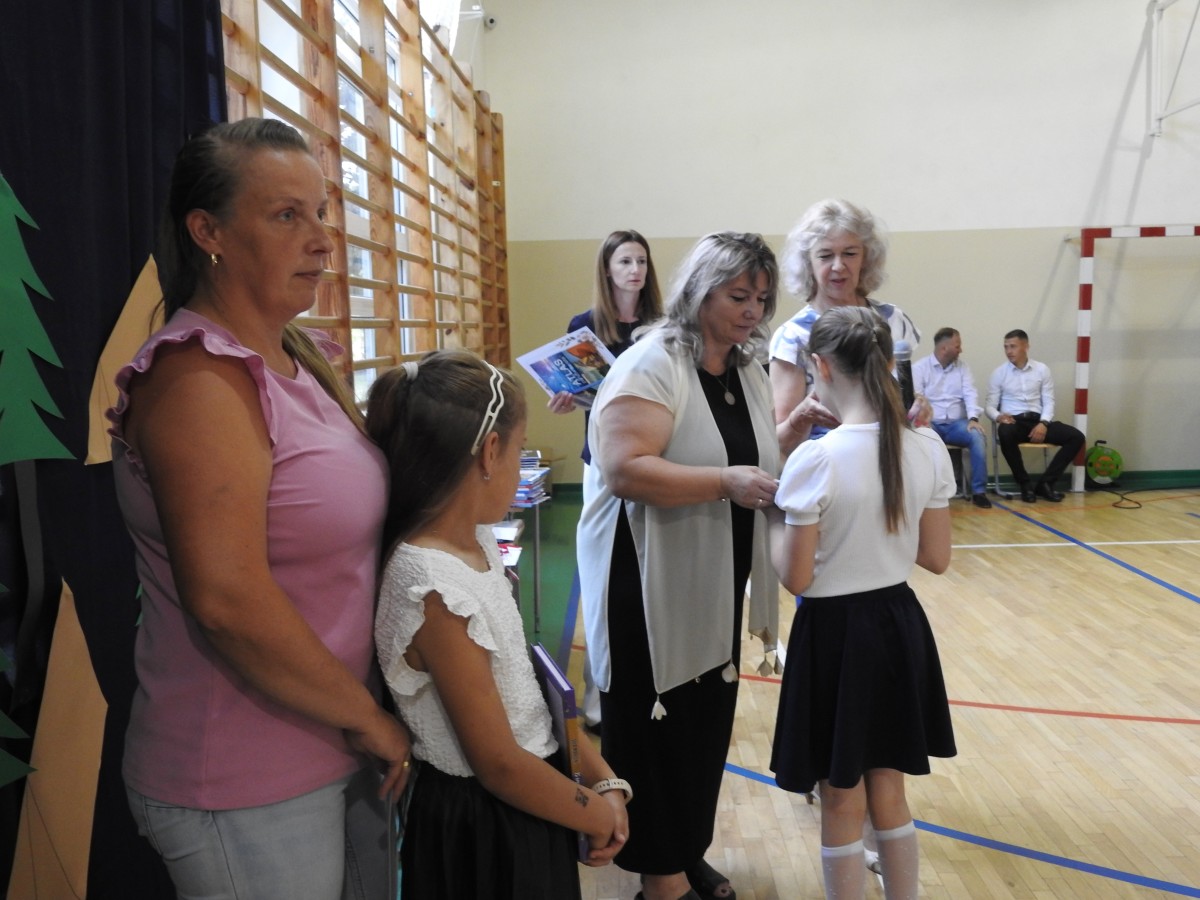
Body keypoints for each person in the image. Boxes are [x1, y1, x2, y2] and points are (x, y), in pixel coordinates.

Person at [107, 118, 411, 900]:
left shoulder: (294, 356)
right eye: (286, 216)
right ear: (207, 232)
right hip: (243, 773)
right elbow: (228, 601)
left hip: (330, 743)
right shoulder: (198, 381)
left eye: (322, 213)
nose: (321, 240)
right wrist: (366, 717)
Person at [577, 232, 808, 900]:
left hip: (712, 568)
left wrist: (789, 436)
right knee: (656, 724)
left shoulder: (744, 366)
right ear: (700, 292)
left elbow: (740, 452)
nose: (753, 311)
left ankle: (683, 848)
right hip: (644, 575)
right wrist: (724, 484)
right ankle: (662, 875)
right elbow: (625, 469)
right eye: (738, 296)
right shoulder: (652, 363)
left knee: (703, 720)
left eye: (761, 298)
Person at [367, 351, 630, 900]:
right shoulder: (433, 586)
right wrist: (595, 814)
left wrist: (601, 776)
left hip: (529, 796)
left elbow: (527, 695)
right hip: (485, 827)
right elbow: (499, 764)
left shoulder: (478, 542)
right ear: (490, 452)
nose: (519, 461)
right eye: (519, 447)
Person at [768, 306, 957, 900]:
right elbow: (937, 557)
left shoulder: (816, 458)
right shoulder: (927, 446)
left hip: (834, 635)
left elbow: (796, 577)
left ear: (820, 367)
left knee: (840, 797)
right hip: (898, 626)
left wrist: (772, 516)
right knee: (889, 789)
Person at [550, 229, 664, 732]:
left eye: (641, 261)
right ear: (608, 269)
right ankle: (598, 702)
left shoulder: (662, 328)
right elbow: (580, 395)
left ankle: (654, 690)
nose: (635, 270)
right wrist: (564, 398)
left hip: (653, 459)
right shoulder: (585, 327)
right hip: (600, 461)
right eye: (625, 261)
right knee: (600, 577)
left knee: (650, 578)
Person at [769, 198, 922, 437]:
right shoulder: (793, 337)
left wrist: (920, 410)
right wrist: (801, 418)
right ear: (808, 263)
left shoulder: (892, 320)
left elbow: (906, 401)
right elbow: (777, 442)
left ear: (866, 258)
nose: (838, 266)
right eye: (825, 256)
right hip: (823, 457)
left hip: (891, 454)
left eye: (850, 253)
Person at [985, 329, 1085, 502]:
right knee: (1005, 432)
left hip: (1038, 421)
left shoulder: (1042, 370)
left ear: (1026, 346)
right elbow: (989, 407)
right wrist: (998, 417)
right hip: (1015, 422)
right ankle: (1025, 485)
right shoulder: (999, 373)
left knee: (1076, 437)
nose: (1008, 351)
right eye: (1006, 347)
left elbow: (1049, 401)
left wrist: (1044, 423)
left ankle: (1046, 484)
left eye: (1013, 346)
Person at [913, 327, 993, 508]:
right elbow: (917, 398)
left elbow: (970, 393)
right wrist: (923, 422)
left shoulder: (963, 368)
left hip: (957, 424)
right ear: (944, 348)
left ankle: (979, 491)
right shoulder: (920, 368)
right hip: (931, 424)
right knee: (920, 440)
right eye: (957, 346)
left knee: (978, 437)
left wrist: (973, 419)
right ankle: (927, 491)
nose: (961, 350)